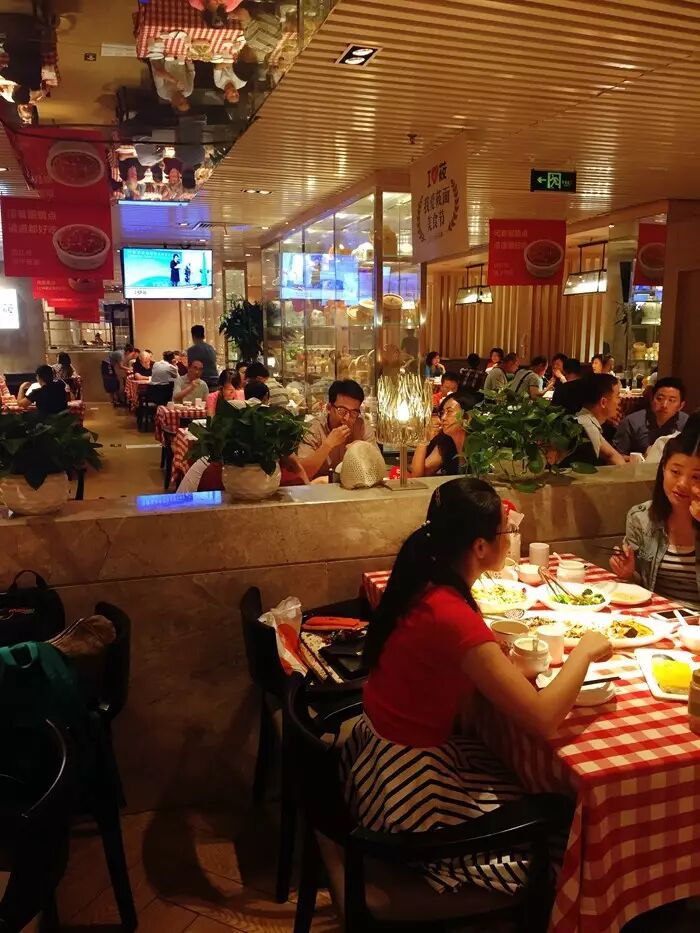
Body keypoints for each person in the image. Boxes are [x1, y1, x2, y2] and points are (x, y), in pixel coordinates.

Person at [344, 478, 611, 896]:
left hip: (383, 760)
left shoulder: (425, 582)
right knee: (574, 845)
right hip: (411, 796)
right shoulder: (451, 613)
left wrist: (501, 668)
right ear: (480, 547)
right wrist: (586, 650)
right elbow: (543, 720)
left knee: (526, 782)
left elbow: (458, 678)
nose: (510, 537)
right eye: (506, 530)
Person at [611, 432, 700, 608]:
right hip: (659, 617)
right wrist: (628, 574)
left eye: (696, 477)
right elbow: (641, 590)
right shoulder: (641, 518)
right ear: (663, 469)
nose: (682, 483)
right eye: (675, 472)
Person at [297, 379, 378, 480]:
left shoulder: (362, 427)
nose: (347, 418)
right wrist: (328, 445)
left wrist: (362, 449)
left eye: (353, 413)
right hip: (320, 488)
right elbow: (303, 473)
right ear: (329, 408)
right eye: (342, 411)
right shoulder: (313, 429)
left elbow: (378, 468)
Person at [613, 377, 688, 456]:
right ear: (652, 399)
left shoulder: (686, 423)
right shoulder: (631, 422)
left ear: (681, 406)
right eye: (660, 399)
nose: (664, 405)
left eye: (671, 400)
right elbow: (616, 456)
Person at [411, 395, 469, 477]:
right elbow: (417, 475)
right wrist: (424, 438)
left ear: (467, 417)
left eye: (449, 412)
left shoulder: (479, 443)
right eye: (442, 412)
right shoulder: (446, 442)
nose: (443, 418)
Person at [575, 374, 626, 465]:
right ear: (603, 402)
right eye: (617, 396)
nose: (620, 401)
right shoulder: (586, 426)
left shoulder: (586, 420)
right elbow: (612, 457)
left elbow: (612, 455)